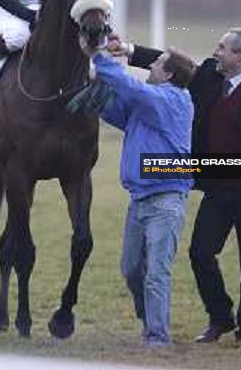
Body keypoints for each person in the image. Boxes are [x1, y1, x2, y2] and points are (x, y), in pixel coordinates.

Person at [108, 29, 241, 343]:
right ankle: (221, 318)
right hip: (217, 190)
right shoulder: (209, 75)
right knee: (200, 254)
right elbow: (169, 63)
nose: (216, 52)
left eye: (223, 48)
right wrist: (126, 50)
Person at [79, 40, 196, 346]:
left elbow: (132, 89)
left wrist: (100, 58)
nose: (151, 66)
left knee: (157, 272)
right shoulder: (151, 104)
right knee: (131, 270)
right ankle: (150, 321)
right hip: (140, 199)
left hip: (166, 201)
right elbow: (117, 109)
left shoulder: (173, 101)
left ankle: (157, 336)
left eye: (157, 64)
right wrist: (94, 91)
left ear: (169, 75)